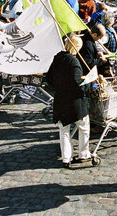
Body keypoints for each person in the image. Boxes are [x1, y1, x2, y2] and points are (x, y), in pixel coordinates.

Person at [46, 34, 91, 168]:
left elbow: (49, 79)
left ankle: (66, 158)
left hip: (61, 99)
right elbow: (77, 83)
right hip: (75, 101)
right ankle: (83, 154)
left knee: (64, 130)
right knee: (83, 127)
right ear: (76, 47)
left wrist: (59, 86)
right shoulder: (74, 62)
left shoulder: (57, 59)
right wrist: (88, 83)